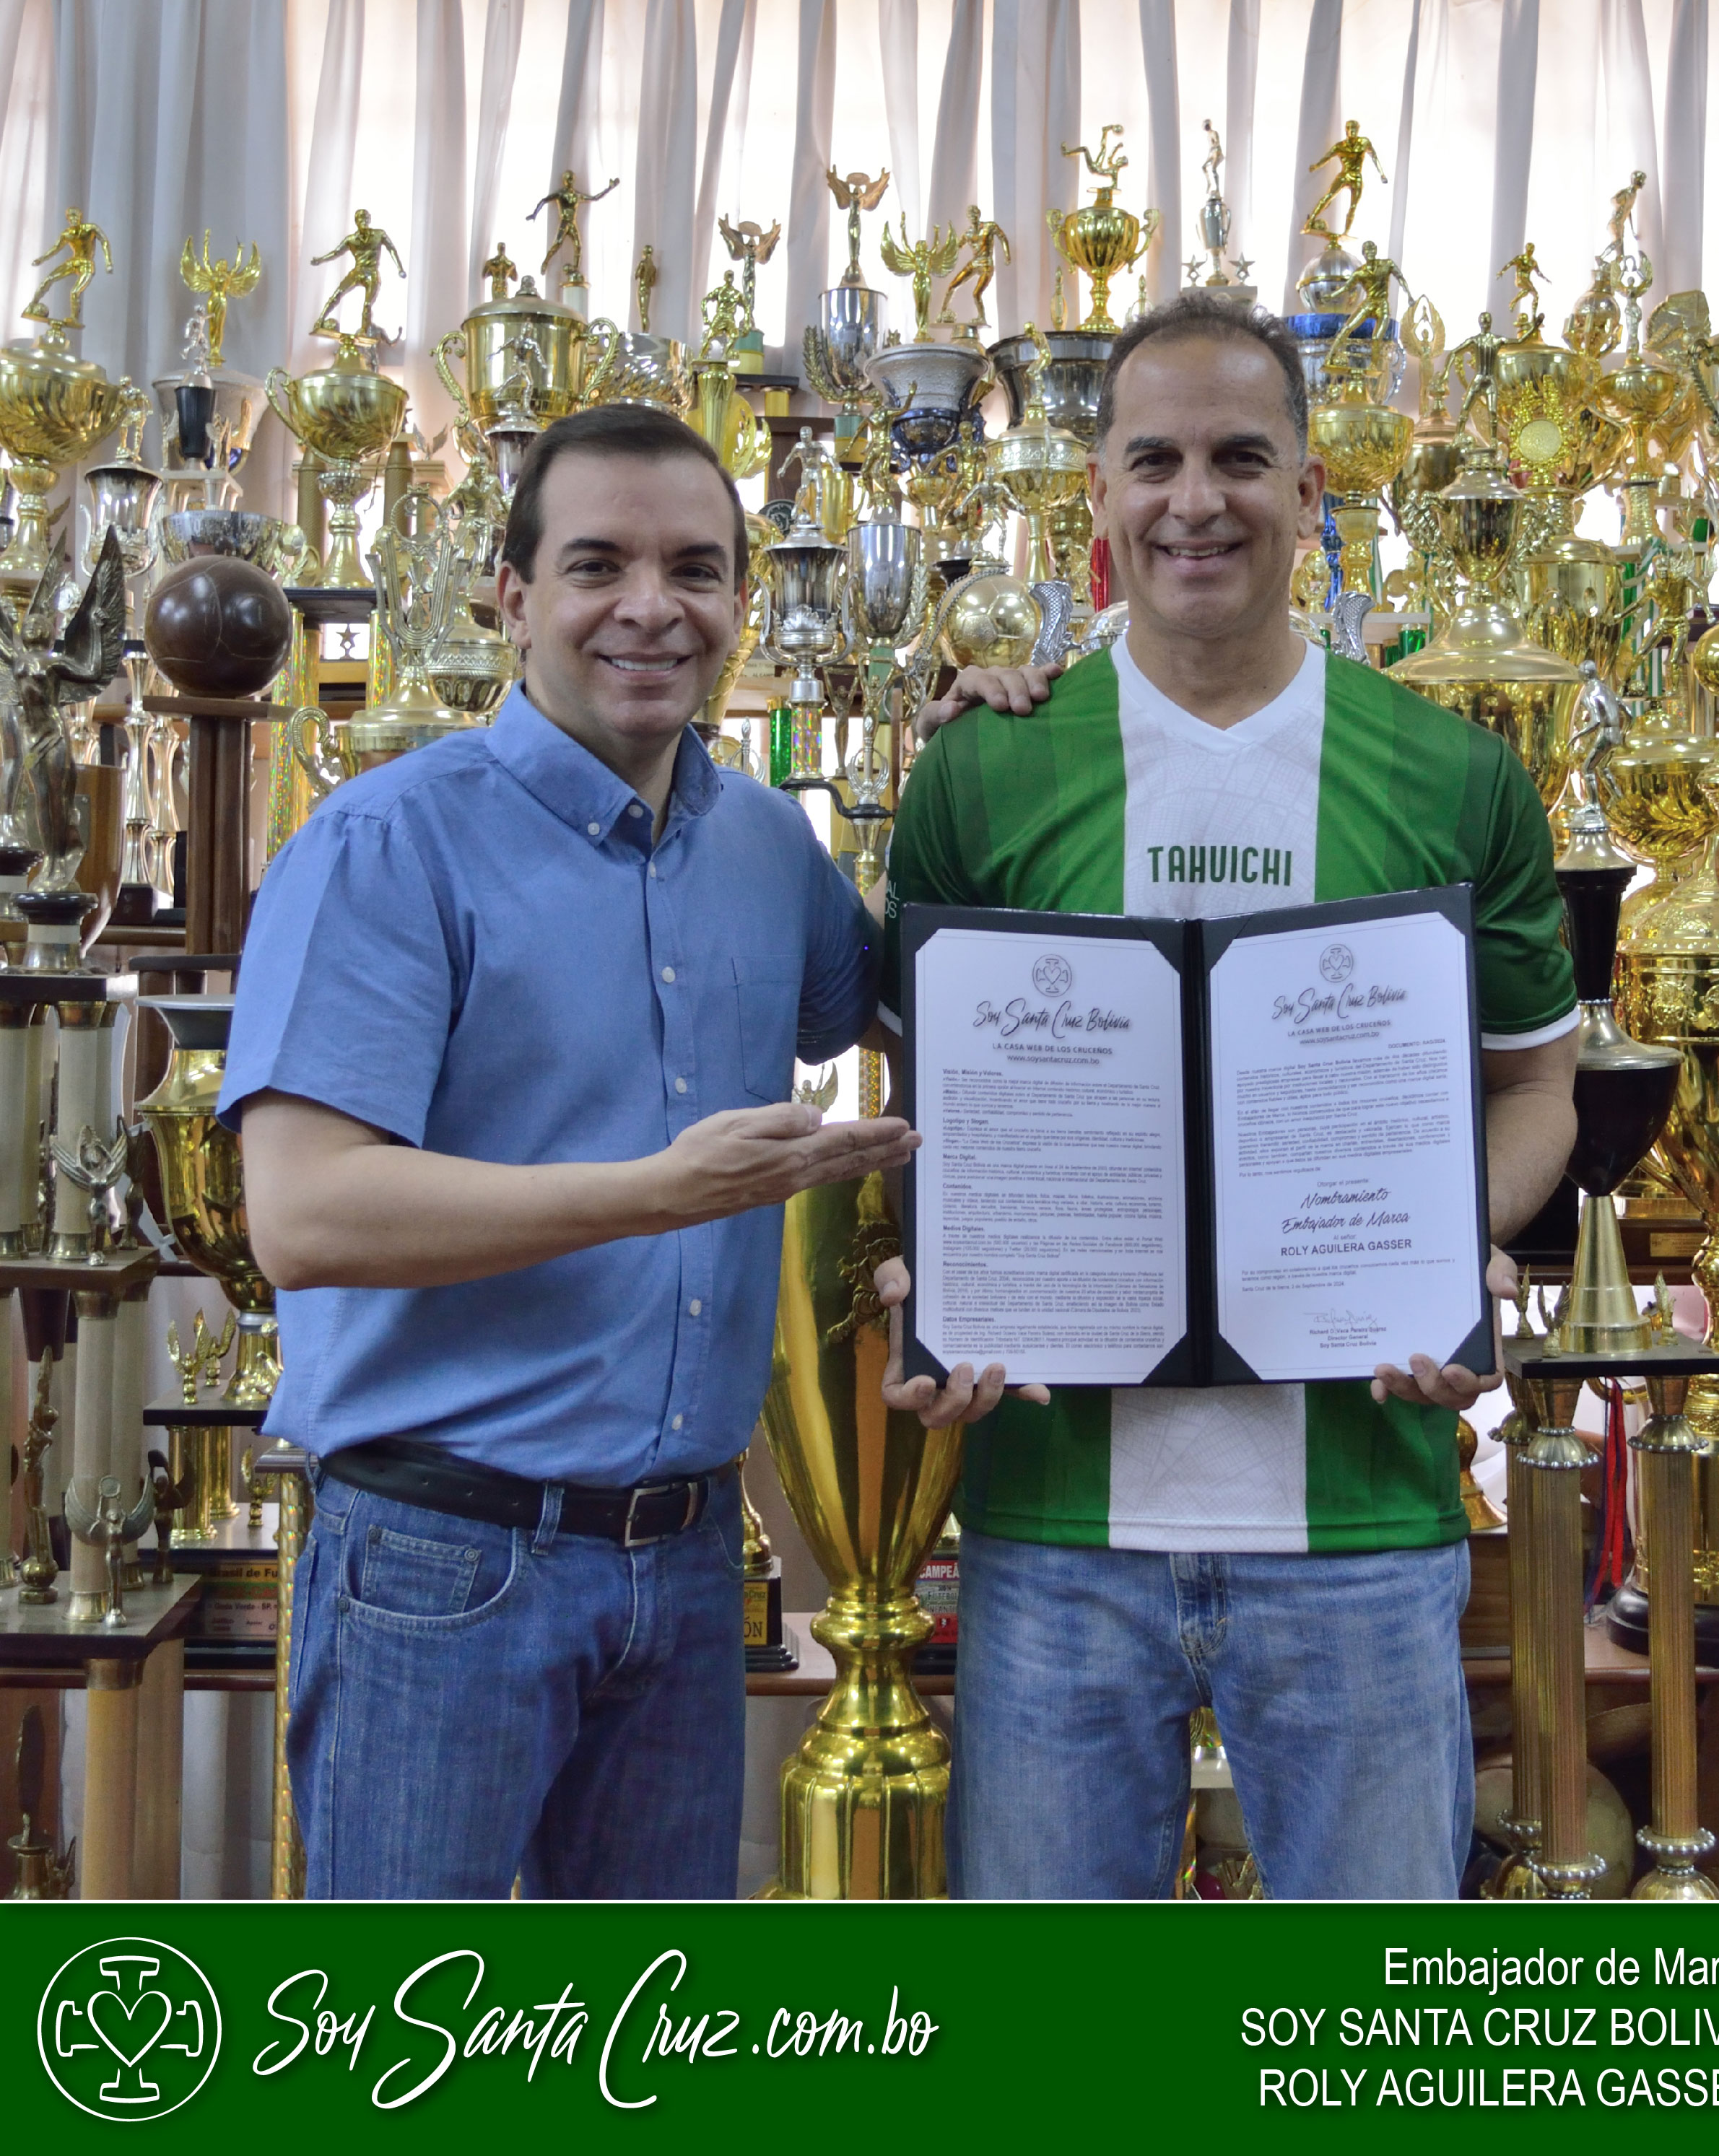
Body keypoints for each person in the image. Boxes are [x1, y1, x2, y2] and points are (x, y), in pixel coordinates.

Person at [876, 292, 1578, 1900]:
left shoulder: (1451, 774)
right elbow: (934, 1101)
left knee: (1365, 2027)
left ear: (1309, 491)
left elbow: (1537, 1079)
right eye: (1157, 461)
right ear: (1100, 496)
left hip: (1359, 1521)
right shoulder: (985, 768)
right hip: (1056, 1527)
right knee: (1056, 2036)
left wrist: (1448, 1242)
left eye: (1241, 459)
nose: (1196, 500)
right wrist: (939, 1275)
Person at [222, 404, 915, 1898]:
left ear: (741, 601)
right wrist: (659, 1196)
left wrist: (1002, 732)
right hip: (442, 1560)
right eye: (598, 565)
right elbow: (305, 1214)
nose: (651, 607)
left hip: (684, 1563)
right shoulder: (386, 846)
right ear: (511, 595)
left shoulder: (765, 848)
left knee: (640, 2029)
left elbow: (937, 1004)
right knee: (409, 2029)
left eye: (695, 569)